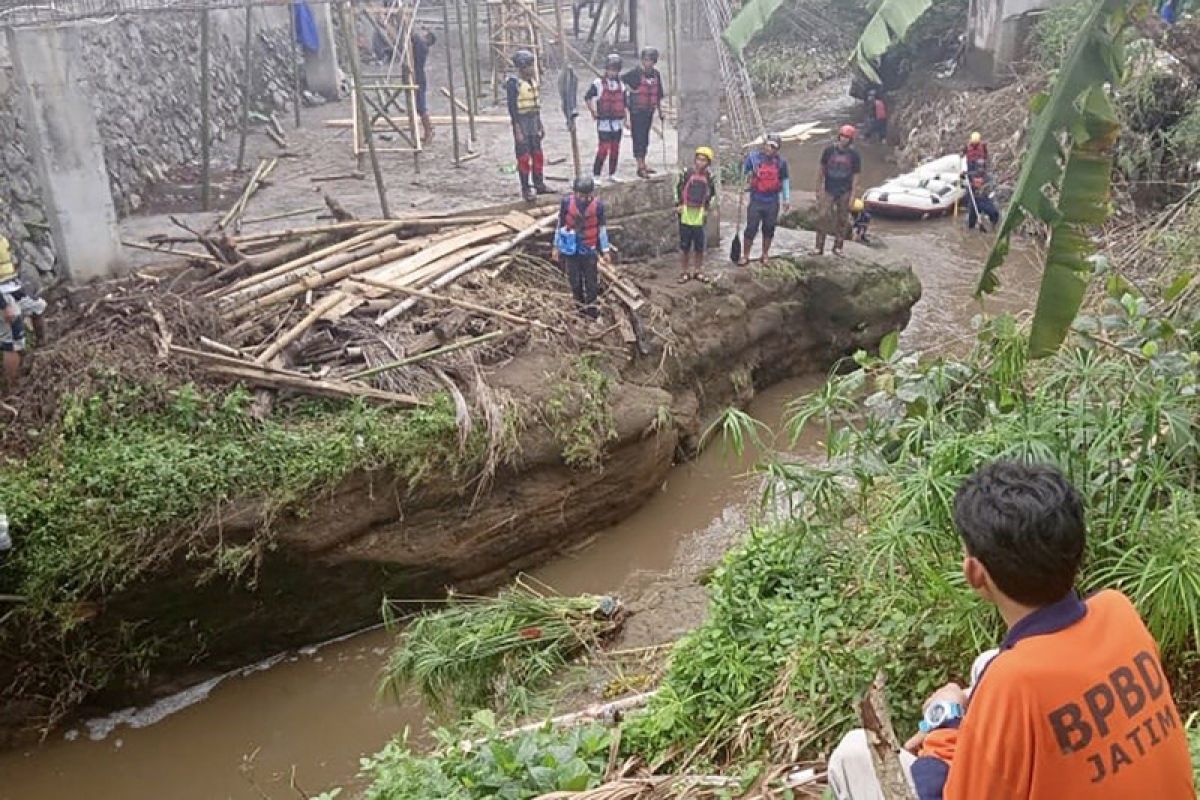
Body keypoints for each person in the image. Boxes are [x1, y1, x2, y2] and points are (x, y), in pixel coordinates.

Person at [827, 461, 1196, 800]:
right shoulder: (1119, 611)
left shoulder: (1013, 683)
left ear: (975, 574)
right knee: (986, 663)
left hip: (1005, 701)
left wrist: (945, 721)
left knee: (855, 753)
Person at [553, 176, 611, 321]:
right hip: (571, 249)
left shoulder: (598, 206)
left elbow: (602, 229)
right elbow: (560, 225)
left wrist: (605, 250)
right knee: (575, 281)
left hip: (589, 249)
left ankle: (592, 313)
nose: (585, 199)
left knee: (591, 283)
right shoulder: (566, 203)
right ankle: (579, 310)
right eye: (581, 195)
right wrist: (556, 246)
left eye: (588, 195)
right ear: (575, 193)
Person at [506, 49, 551, 202]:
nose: (533, 69)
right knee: (524, 158)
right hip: (522, 122)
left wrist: (540, 124)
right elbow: (512, 109)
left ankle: (539, 184)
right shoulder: (514, 84)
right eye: (529, 66)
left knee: (537, 155)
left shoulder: (532, 82)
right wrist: (517, 130)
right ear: (522, 67)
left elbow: (536, 107)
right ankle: (526, 188)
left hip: (533, 121)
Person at [740, 134, 790, 266]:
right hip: (756, 199)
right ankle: (745, 255)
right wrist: (743, 161)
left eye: (773, 147)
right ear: (764, 145)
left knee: (769, 228)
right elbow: (743, 171)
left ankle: (765, 254)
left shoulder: (781, 162)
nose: (770, 149)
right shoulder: (754, 158)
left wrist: (786, 198)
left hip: (772, 201)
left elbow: (784, 180)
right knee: (751, 228)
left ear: (777, 149)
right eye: (768, 145)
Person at [815, 125, 862, 256]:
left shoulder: (854, 155)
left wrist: (853, 195)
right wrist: (818, 188)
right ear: (838, 136)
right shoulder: (829, 151)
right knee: (822, 216)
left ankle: (838, 247)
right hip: (829, 188)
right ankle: (819, 246)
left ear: (851, 140)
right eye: (842, 136)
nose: (844, 139)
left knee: (842, 219)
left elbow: (856, 176)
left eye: (847, 137)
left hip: (844, 190)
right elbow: (821, 169)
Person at [675, 146, 717, 283]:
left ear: (708, 162)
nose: (700, 162)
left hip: (699, 214)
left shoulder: (710, 177)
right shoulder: (686, 174)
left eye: (703, 160)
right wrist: (678, 205)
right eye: (698, 159)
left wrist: (708, 209)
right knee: (685, 246)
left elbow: (712, 194)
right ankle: (684, 272)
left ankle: (698, 271)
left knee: (699, 246)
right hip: (686, 213)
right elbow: (678, 189)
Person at [621, 46, 665, 178]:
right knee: (638, 138)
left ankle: (644, 163)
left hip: (648, 111)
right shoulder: (636, 73)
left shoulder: (656, 74)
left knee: (645, 139)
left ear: (654, 61)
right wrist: (630, 91)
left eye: (650, 60)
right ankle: (640, 166)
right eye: (645, 60)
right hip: (637, 111)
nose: (647, 63)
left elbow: (657, 95)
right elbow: (622, 81)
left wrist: (660, 111)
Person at [584, 54, 628, 180]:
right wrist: (593, 111)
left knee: (615, 149)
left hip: (617, 122)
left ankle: (612, 174)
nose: (612, 72)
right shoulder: (598, 83)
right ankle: (596, 175)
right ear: (606, 69)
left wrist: (627, 120)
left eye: (615, 69)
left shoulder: (622, 85)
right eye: (610, 69)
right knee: (603, 149)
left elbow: (625, 103)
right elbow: (587, 97)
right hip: (604, 122)